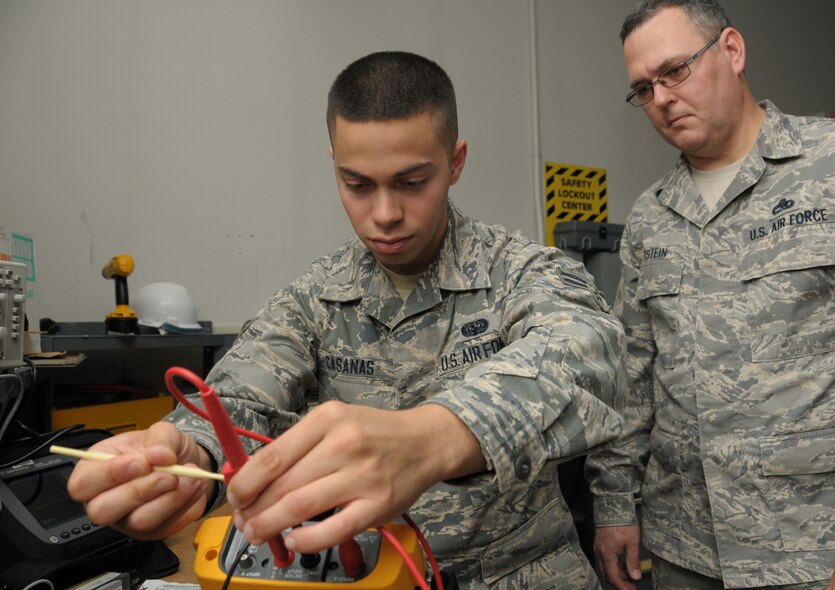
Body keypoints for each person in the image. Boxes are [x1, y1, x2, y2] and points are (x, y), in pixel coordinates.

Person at [68, 51, 628, 589]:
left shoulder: (518, 269)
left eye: (412, 182)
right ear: (334, 163)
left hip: (518, 574)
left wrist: (432, 438)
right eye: (357, 185)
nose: (384, 214)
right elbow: (242, 396)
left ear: (455, 162)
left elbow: (590, 352)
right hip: (365, 576)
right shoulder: (313, 298)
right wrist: (188, 453)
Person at [585, 1, 835, 589]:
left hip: (820, 549)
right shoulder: (651, 216)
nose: (662, 98)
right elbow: (633, 376)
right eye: (643, 88)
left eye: (676, 71)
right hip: (686, 550)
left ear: (732, 50)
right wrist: (616, 503)